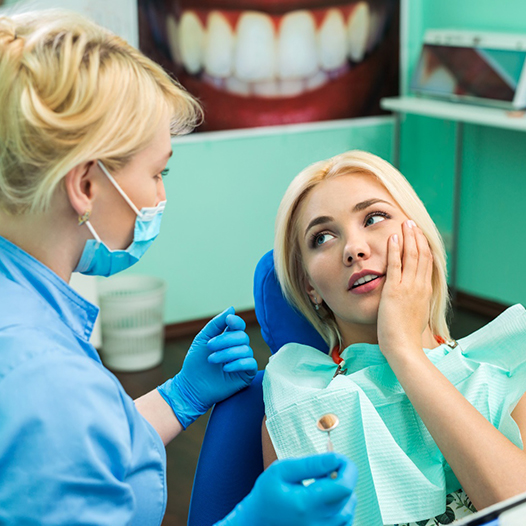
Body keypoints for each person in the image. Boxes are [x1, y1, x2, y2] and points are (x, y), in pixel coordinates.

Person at [0, 10, 358, 525]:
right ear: (84, 185)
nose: (161, 196)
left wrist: (181, 395)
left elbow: (79, 453)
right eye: (157, 172)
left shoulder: (27, 314)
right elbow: (59, 424)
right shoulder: (44, 379)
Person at [262, 150, 526, 526]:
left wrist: (403, 350)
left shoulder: (508, 367)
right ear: (309, 287)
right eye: (322, 237)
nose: (354, 249)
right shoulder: (300, 405)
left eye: (373, 217)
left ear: (420, 235)